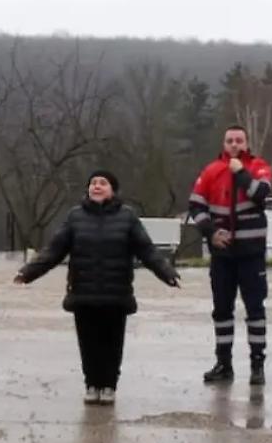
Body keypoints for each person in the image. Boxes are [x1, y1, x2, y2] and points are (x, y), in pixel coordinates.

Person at [14, 170, 180, 405]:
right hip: (84, 292)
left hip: (116, 293)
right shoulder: (75, 217)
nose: (97, 186)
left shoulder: (127, 217)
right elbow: (54, 250)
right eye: (93, 183)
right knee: (88, 343)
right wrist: (28, 272)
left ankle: (109, 386)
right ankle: (92, 384)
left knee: (112, 343)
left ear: (113, 189)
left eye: (103, 183)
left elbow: (147, 250)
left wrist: (167, 273)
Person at [188, 125, 272, 385]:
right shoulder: (211, 170)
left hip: (251, 253)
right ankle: (223, 363)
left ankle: (257, 365)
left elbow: (261, 193)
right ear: (223, 144)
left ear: (246, 143)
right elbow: (196, 205)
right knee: (222, 310)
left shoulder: (259, 167)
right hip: (222, 255)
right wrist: (210, 232)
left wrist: (241, 173)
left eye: (239, 140)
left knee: (255, 310)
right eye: (229, 141)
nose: (234, 144)